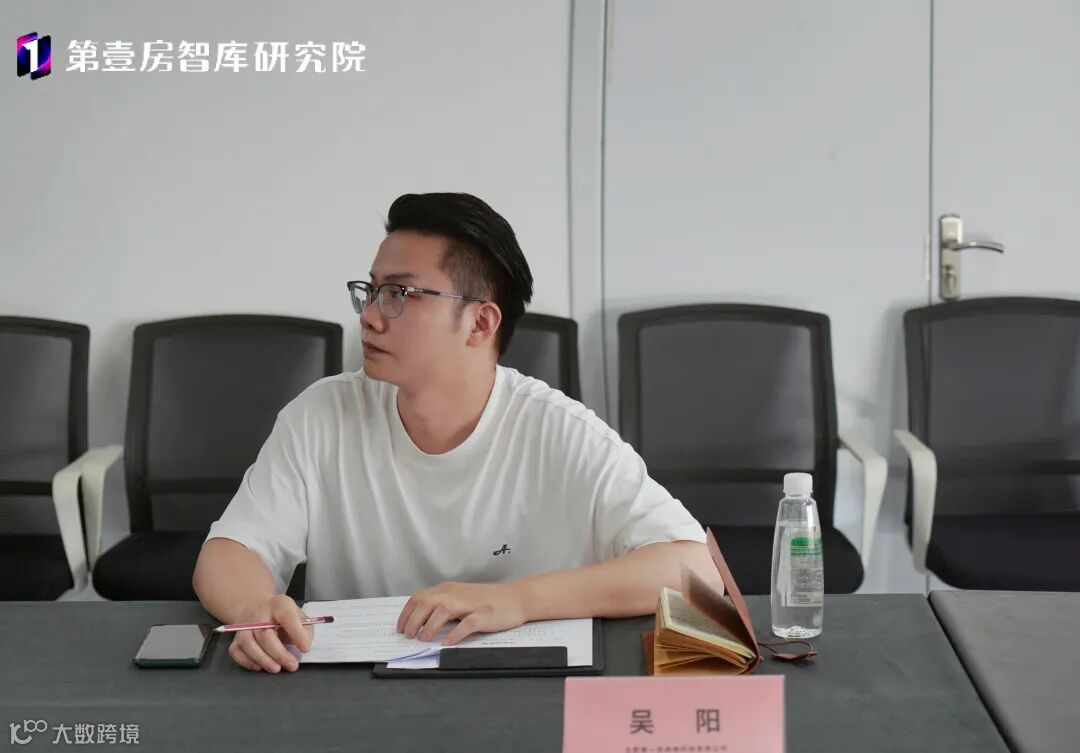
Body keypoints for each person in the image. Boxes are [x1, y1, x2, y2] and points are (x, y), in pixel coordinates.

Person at [193, 192, 719, 673]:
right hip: (352, 696)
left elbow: (693, 568)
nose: (370, 316)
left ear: (481, 323)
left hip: (523, 692)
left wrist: (520, 600)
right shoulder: (322, 416)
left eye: (399, 293)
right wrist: (253, 608)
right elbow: (230, 551)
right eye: (371, 291)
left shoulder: (558, 431)